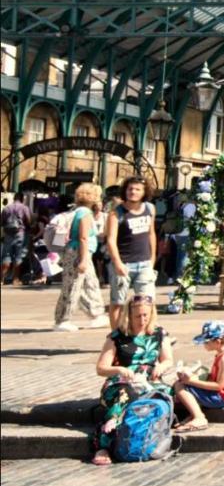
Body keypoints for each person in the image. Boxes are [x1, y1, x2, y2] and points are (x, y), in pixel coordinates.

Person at [91, 294, 173, 465]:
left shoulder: (159, 333)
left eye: (146, 315)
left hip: (148, 379)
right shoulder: (117, 337)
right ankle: (104, 443)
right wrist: (119, 369)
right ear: (128, 316)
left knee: (166, 394)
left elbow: (168, 360)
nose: (142, 320)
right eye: (137, 316)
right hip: (121, 381)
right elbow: (101, 368)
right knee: (125, 395)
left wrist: (161, 367)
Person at [53, 184, 111, 332]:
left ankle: (96, 314)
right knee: (72, 286)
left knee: (89, 284)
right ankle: (62, 320)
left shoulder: (78, 211)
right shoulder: (85, 213)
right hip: (79, 252)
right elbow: (83, 237)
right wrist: (84, 259)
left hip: (80, 252)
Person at [105, 176, 158, 330]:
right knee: (118, 302)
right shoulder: (116, 213)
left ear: (144, 192)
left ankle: (150, 334)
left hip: (144, 262)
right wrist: (117, 263)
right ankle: (116, 337)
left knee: (148, 301)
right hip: (124, 263)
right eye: (130, 189)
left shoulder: (150, 208)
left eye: (137, 189)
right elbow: (110, 240)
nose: (133, 192)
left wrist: (152, 258)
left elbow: (151, 233)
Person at [173, 320, 224, 433]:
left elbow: (219, 386)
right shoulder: (222, 354)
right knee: (185, 383)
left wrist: (191, 381)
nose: (204, 345)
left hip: (221, 398)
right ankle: (193, 414)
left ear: (218, 342)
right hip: (220, 395)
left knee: (179, 385)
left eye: (206, 342)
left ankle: (199, 417)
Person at [1, 195, 33, 286]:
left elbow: (2, 221)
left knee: (6, 256)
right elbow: (28, 221)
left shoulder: (6, 208)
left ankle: (2, 279)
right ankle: (15, 279)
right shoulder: (24, 208)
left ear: (14, 198)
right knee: (18, 256)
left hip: (8, 234)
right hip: (20, 234)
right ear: (22, 199)